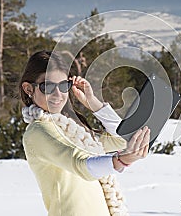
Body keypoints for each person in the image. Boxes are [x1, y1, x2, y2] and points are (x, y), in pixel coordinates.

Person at [19, 50, 151, 216]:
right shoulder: (38, 132)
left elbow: (121, 140)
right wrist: (121, 160)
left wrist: (93, 102)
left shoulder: (72, 130)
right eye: (48, 86)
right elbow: (80, 164)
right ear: (28, 88)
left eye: (64, 86)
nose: (58, 94)